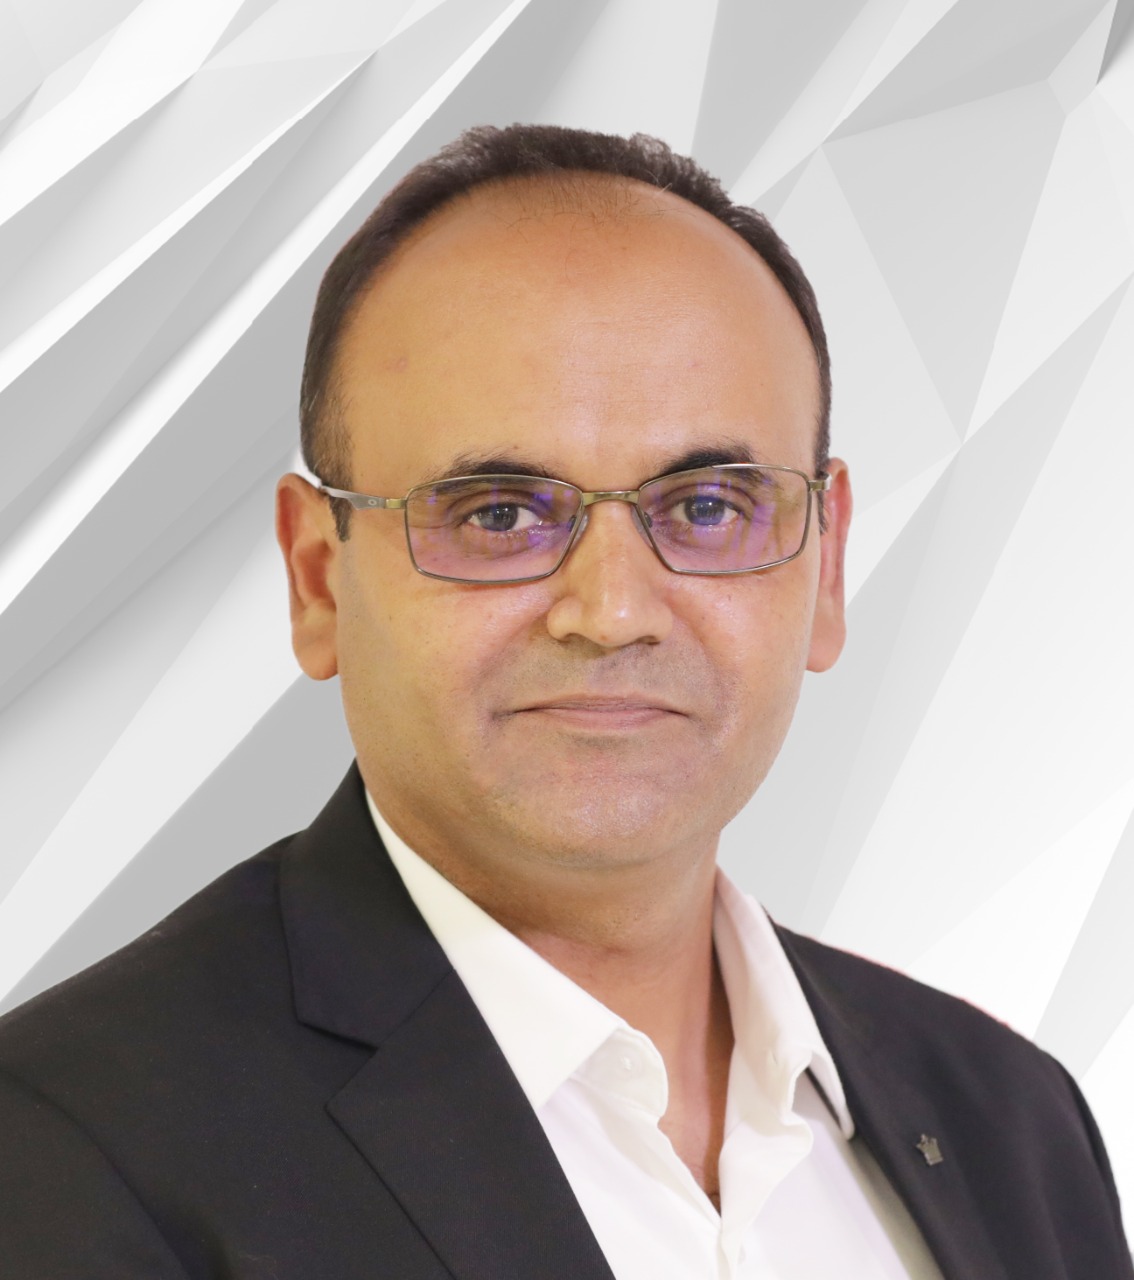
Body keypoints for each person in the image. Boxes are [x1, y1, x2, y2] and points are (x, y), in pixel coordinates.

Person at [0, 124, 1129, 1280]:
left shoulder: (1013, 1124)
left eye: (706, 506)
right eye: (498, 514)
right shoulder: (59, 1153)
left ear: (825, 564)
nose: (612, 610)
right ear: (317, 578)